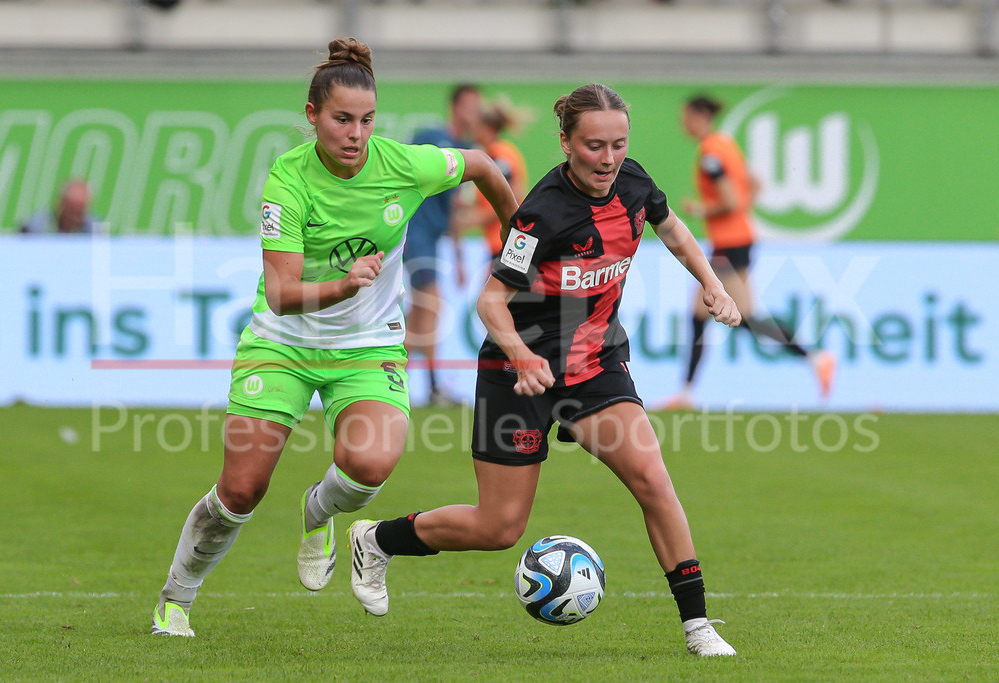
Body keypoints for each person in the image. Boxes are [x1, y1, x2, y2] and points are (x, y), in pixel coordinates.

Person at [346, 84, 742, 657]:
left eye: (618, 144)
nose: (608, 159)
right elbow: (490, 302)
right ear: (565, 143)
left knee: (653, 480)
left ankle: (697, 625)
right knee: (498, 528)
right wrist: (522, 354)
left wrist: (711, 282)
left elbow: (673, 228)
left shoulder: (634, 182)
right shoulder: (540, 215)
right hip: (518, 373)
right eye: (594, 146)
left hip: (596, 366)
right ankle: (377, 539)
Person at [150, 38, 518, 638]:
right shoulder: (288, 179)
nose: (356, 134)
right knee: (242, 489)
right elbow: (281, 292)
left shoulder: (402, 165)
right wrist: (345, 286)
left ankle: (317, 510)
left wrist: (516, 246)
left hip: (368, 345)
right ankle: (176, 597)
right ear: (312, 115)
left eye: (367, 120)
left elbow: (480, 164)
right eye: (342, 119)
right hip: (283, 342)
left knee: (371, 464)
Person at [661, 94, 835, 410]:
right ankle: (686, 392)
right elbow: (755, 184)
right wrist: (741, 212)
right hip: (738, 240)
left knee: (725, 316)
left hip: (729, 243)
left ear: (699, 116)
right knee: (718, 315)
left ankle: (815, 357)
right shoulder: (726, 144)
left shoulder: (710, 154)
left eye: (686, 117)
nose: (683, 124)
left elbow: (729, 200)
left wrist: (701, 208)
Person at [403, 83, 482, 406]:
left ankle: (388, 379)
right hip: (414, 234)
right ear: (456, 107)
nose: (475, 113)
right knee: (431, 306)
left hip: (433, 241)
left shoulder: (466, 148)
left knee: (420, 314)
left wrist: (459, 257)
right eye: (471, 107)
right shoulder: (430, 138)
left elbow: (453, 208)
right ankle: (433, 387)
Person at [463, 96, 529, 259]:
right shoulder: (495, 153)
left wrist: (473, 220)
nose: (472, 130)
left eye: (476, 125)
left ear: (488, 128)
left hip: (506, 243)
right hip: (501, 243)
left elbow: (512, 195)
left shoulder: (498, 154)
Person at [20, 179, 100, 234]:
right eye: (72, 209)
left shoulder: (94, 230)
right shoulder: (34, 227)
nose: (75, 217)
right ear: (61, 204)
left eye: (80, 211)